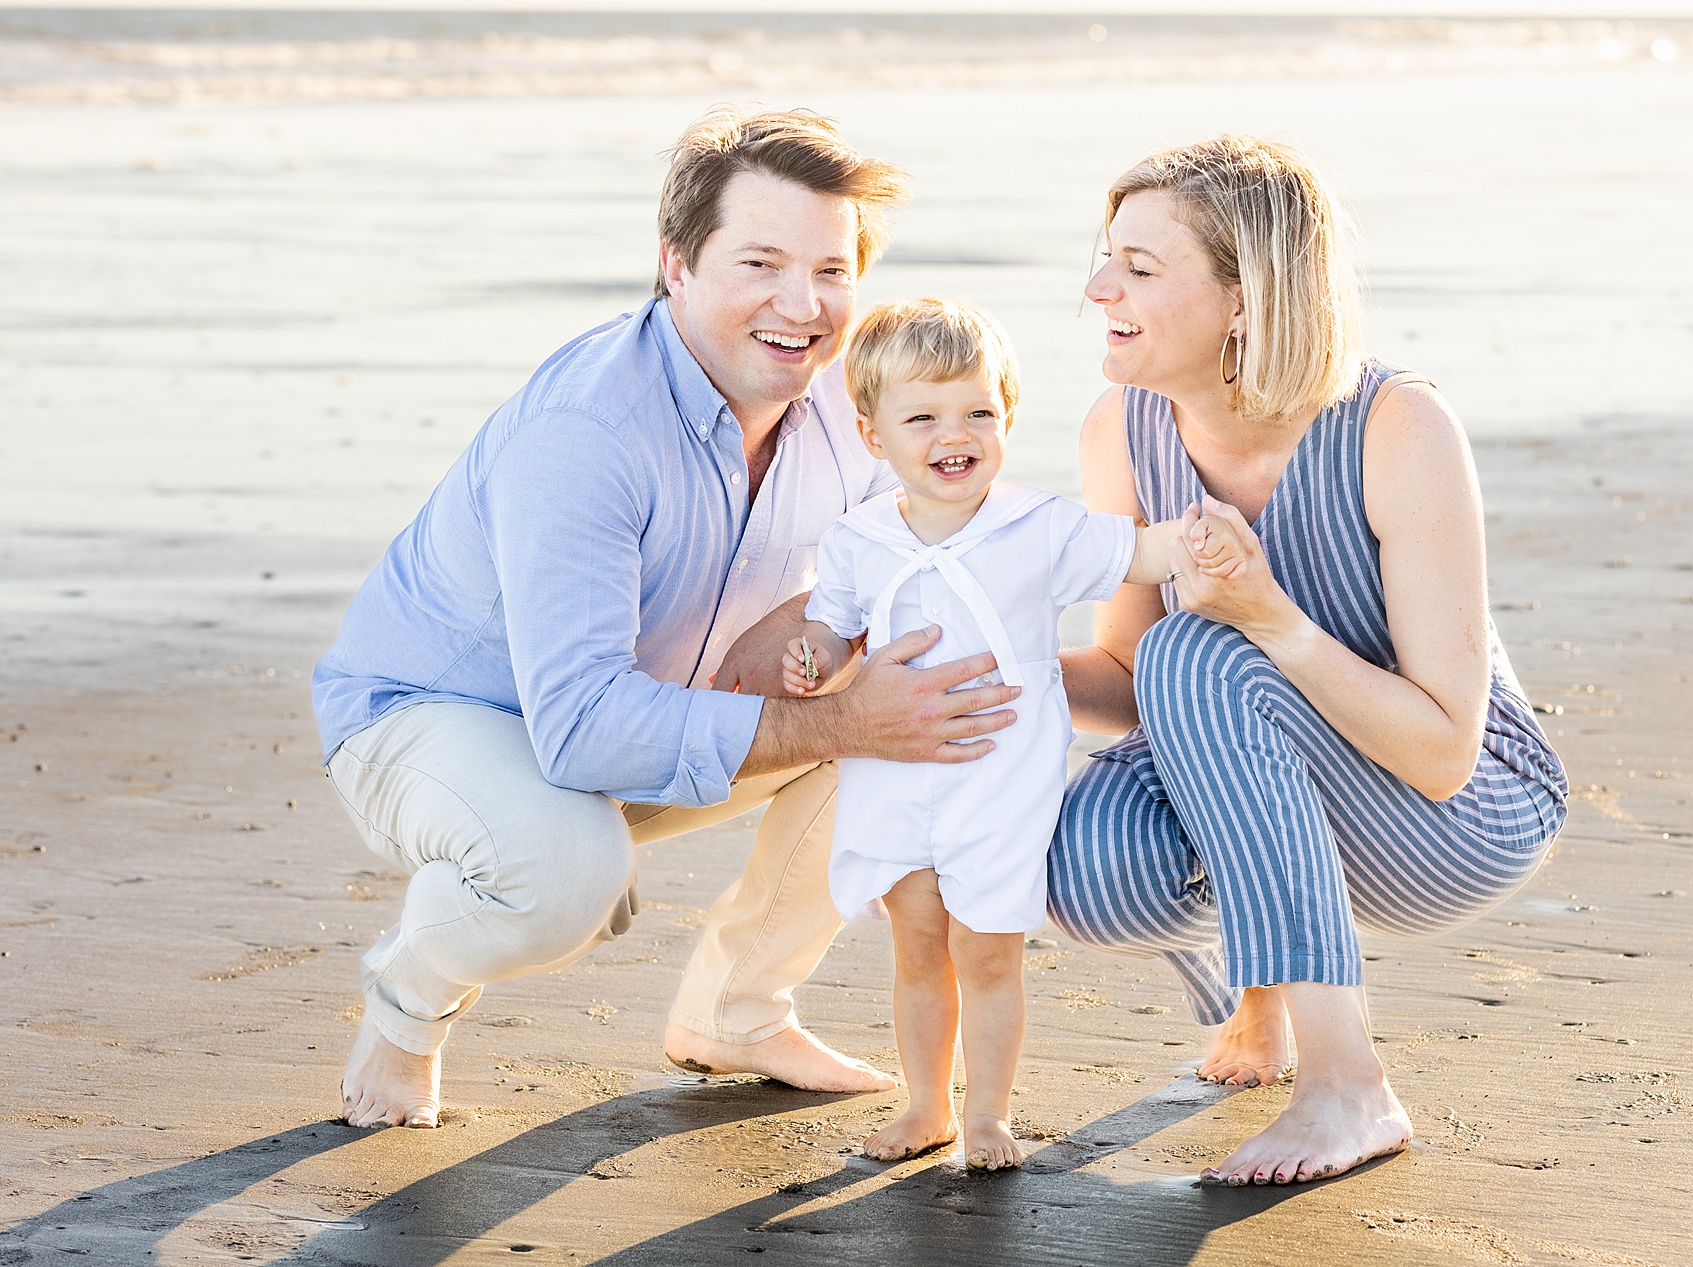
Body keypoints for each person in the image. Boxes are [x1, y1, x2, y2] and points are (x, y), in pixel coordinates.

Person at [311, 108, 1030, 1129]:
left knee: (916, 713)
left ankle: (737, 1012)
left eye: (831, 269)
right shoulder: (586, 432)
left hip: (642, 704)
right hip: (435, 720)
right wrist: (837, 715)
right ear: (676, 266)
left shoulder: (850, 399)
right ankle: (406, 1001)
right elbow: (580, 729)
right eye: (760, 263)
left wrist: (817, 624)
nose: (802, 304)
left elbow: (943, 553)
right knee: (566, 871)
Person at [1047, 136, 1569, 1185]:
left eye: (1140, 269)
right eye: (1106, 256)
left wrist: (1271, 617)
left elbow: (1440, 754)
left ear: (1247, 297)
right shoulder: (1123, 424)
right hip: (1276, 767)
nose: (1097, 286)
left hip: (1458, 813)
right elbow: (1128, 678)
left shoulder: (1396, 424)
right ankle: (1268, 991)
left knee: (1201, 647)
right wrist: (983, 656)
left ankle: (1347, 1085)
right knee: (1088, 871)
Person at [781, 298, 1241, 1169]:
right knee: (917, 947)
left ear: (1008, 417)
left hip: (997, 790)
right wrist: (813, 658)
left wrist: (1196, 532)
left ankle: (986, 1115)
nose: (954, 435)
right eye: (922, 417)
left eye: (978, 413)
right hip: (895, 779)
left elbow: (1138, 554)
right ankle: (927, 1107)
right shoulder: (855, 538)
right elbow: (834, 629)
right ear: (873, 434)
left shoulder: (1039, 525)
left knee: (987, 954)